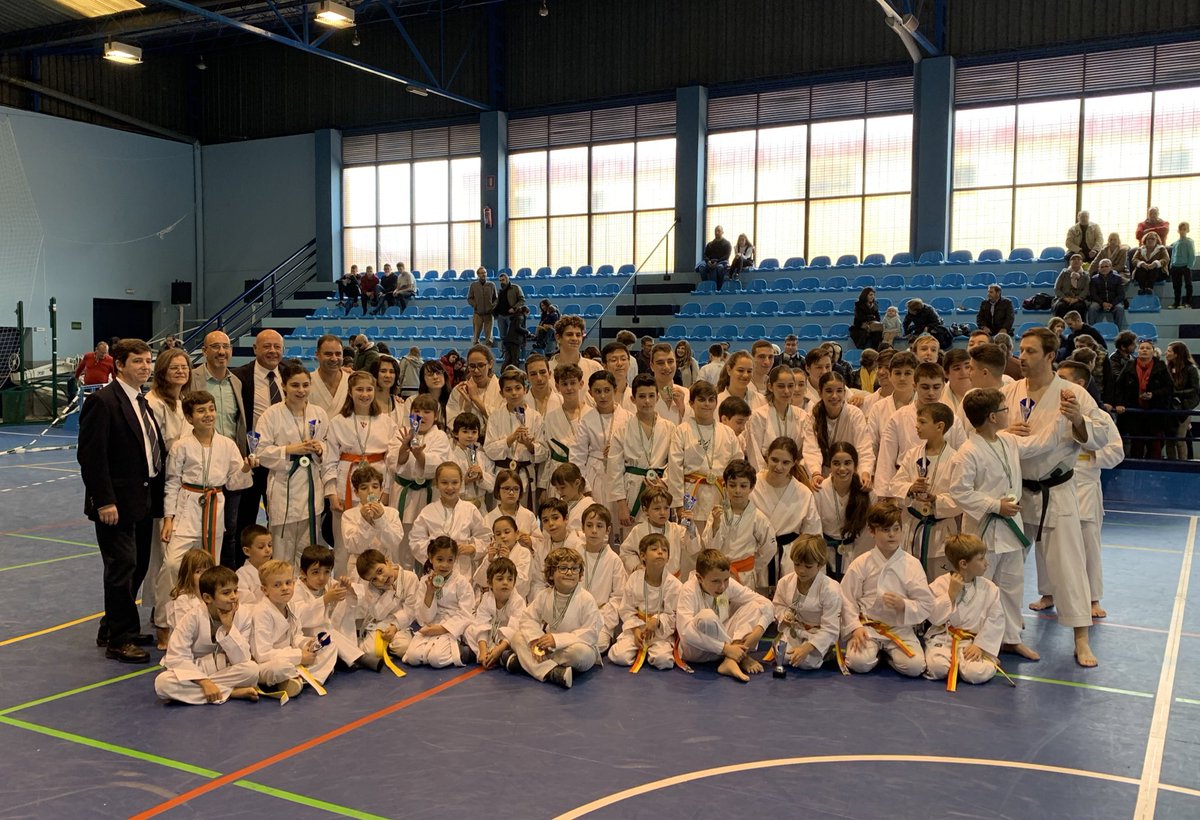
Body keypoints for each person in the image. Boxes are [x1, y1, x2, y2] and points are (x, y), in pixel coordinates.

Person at [1004, 327, 1112, 667]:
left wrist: (1079, 420)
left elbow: (1100, 436)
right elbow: (989, 432)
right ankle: (1006, 632)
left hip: (1057, 489)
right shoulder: (1011, 390)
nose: (1023, 357)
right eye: (1021, 350)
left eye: (1031, 351)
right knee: (1006, 565)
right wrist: (1007, 432)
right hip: (1017, 490)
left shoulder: (1071, 393)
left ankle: (1081, 639)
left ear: (1051, 356)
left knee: (1068, 568)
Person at [946, 387, 1056, 660]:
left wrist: (1065, 419)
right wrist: (996, 505)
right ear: (993, 417)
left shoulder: (1007, 441)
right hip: (983, 530)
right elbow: (959, 491)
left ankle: (1009, 638)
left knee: (1011, 585)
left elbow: (1041, 444)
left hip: (1010, 528)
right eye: (1005, 409)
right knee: (978, 588)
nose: (1009, 413)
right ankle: (976, 641)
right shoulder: (968, 452)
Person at [78, 338, 165, 663]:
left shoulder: (140, 401)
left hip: (142, 499)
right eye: (138, 361)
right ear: (120, 365)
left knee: (138, 565)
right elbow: (91, 456)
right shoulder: (104, 401)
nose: (145, 367)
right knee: (122, 567)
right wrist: (104, 501)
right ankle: (120, 639)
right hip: (115, 503)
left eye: (148, 361)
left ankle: (113, 626)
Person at [1056, 361, 1123, 620]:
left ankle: (1093, 598)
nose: (1058, 383)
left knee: (1089, 546)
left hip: (1085, 487)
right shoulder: (1052, 412)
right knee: (1050, 546)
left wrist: (1089, 454)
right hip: (1056, 486)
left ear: (1080, 385)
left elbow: (1117, 452)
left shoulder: (1100, 416)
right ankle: (1049, 593)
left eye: (1064, 379)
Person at [161, 391, 254, 575]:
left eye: (211, 409)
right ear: (189, 418)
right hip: (186, 508)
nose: (208, 415)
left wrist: (244, 468)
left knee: (210, 565)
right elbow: (171, 483)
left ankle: (205, 603)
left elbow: (234, 484)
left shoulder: (227, 445)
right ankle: (171, 604)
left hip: (215, 507)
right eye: (201, 411)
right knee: (172, 564)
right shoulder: (181, 446)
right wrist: (168, 518)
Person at [839, 501, 934, 677]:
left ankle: (887, 657)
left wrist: (904, 605)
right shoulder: (862, 563)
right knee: (857, 663)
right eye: (885, 530)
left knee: (915, 667)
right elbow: (847, 598)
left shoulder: (912, 564)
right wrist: (855, 627)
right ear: (872, 531)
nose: (892, 535)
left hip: (899, 628)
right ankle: (876, 652)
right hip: (869, 626)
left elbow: (926, 603)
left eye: (896, 529)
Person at [154, 566, 260, 705]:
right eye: (226, 593)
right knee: (162, 683)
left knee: (251, 670)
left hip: (225, 668)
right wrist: (204, 682)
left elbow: (242, 658)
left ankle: (211, 692)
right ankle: (229, 692)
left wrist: (229, 627)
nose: (233, 597)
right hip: (195, 669)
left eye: (235, 590)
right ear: (207, 597)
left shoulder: (244, 614)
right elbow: (177, 656)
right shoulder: (191, 617)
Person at [324, 371, 396, 573]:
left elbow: (391, 461)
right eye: (359, 389)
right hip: (346, 484)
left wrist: (387, 491)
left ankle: (380, 579)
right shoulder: (338, 421)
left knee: (378, 538)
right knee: (343, 542)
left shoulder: (386, 421)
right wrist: (331, 494)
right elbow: (329, 460)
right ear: (350, 391)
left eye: (369, 389)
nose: (365, 394)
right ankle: (343, 587)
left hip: (377, 483)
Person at [508, 546, 603, 689]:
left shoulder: (586, 599)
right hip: (548, 647)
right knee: (516, 637)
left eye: (574, 568)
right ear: (551, 574)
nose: (569, 573)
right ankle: (552, 672)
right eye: (563, 568)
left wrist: (557, 640)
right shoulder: (544, 595)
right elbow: (528, 619)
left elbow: (591, 633)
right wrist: (536, 640)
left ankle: (527, 663)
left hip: (572, 648)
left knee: (581, 654)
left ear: (580, 573)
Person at [887, 401, 961, 579]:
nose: (916, 426)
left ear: (939, 426)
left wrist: (935, 500)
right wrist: (910, 488)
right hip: (912, 527)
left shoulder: (956, 459)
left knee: (939, 585)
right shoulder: (912, 454)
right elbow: (895, 485)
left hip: (940, 532)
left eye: (922, 422)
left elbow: (961, 499)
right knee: (910, 582)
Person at [677, 548, 774, 682]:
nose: (722, 587)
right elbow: (685, 633)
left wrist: (760, 629)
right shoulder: (688, 590)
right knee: (707, 616)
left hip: (725, 649)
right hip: (697, 652)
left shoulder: (727, 584)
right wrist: (725, 648)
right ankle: (740, 656)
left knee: (755, 606)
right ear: (699, 577)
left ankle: (731, 660)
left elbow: (766, 603)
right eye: (715, 581)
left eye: (726, 580)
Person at [923, 534, 1005, 689]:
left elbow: (996, 619)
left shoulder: (990, 588)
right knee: (938, 668)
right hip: (943, 638)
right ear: (963, 564)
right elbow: (933, 617)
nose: (986, 563)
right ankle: (957, 662)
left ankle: (985, 661)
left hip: (972, 641)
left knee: (975, 673)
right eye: (981, 559)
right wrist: (950, 595)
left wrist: (981, 646)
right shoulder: (941, 584)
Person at [250, 559, 337, 697]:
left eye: (288, 583)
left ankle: (299, 679)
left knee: (329, 643)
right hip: (270, 662)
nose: (284, 588)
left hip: (292, 655)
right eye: (277, 585)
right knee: (280, 668)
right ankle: (300, 676)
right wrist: (298, 656)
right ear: (264, 590)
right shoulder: (261, 612)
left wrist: (306, 643)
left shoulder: (291, 605)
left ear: (294, 583)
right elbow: (262, 654)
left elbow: (296, 635)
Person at [232, 328, 285, 555]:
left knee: (280, 517)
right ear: (255, 349)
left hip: (282, 460)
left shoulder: (290, 373)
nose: (272, 351)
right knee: (245, 517)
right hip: (252, 459)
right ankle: (240, 569)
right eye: (267, 346)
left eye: (277, 347)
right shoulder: (239, 376)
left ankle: (276, 565)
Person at [667, 380, 741, 540]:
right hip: (692, 496)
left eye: (710, 399)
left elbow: (738, 466)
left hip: (721, 496)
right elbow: (675, 469)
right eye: (701, 399)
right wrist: (679, 505)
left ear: (716, 403)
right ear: (692, 403)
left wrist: (737, 497)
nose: (706, 404)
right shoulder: (682, 431)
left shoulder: (727, 433)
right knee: (690, 547)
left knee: (720, 543)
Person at [390, 394, 451, 565]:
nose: (421, 416)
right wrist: (403, 448)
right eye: (416, 411)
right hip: (404, 493)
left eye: (427, 411)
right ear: (410, 414)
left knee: (428, 537)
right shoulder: (401, 432)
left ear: (436, 416)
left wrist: (420, 456)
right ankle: (403, 581)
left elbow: (439, 464)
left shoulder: (440, 437)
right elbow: (392, 462)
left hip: (428, 494)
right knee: (402, 539)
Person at [606, 533, 682, 671]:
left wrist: (657, 620)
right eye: (654, 549)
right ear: (642, 556)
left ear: (668, 557)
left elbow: (674, 615)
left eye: (664, 550)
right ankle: (640, 648)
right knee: (618, 656)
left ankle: (652, 651)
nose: (660, 552)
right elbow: (626, 609)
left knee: (663, 661)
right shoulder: (635, 578)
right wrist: (635, 630)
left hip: (660, 632)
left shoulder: (674, 585)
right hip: (637, 627)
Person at [752, 437, 821, 581]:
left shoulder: (803, 493)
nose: (779, 466)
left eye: (785, 462)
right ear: (767, 457)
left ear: (794, 463)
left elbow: (812, 535)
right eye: (774, 460)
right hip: (756, 554)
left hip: (790, 559)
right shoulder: (752, 485)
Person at [611, 374, 674, 528]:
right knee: (631, 542)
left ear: (657, 397)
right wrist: (621, 505)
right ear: (633, 399)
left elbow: (675, 463)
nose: (647, 401)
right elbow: (614, 468)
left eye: (651, 396)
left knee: (660, 541)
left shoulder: (670, 428)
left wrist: (664, 483)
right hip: (631, 493)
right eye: (642, 396)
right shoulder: (622, 429)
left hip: (660, 490)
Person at [772, 535, 842, 670]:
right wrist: (784, 617)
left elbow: (831, 628)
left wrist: (808, 647)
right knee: (785, 657)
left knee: (806, 662)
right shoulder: (785, 582)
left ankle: (826, 652)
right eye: (797, 564)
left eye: (808, 566)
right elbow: (778, 606)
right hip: (795, 630)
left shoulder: (831, 589)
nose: (801, 570)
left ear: (820, 565)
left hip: (818, 633)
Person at [704, 459, 776, 589]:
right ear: (725, 486)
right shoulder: (716, 513)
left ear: (752, 487)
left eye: (743, 486)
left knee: (744, 608)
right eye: (732, 485)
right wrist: (716, 524)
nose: (737, 490)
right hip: (718, 574)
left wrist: (754, 565)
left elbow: (769, 548)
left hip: (745, 575)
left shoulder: (758, 517)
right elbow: (709, 547)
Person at [404, 536, 474, 668]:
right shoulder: (425, 581)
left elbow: (466, 614)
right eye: (440, 559)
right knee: (412, 657)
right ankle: (433, 651)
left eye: (450, 560)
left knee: (436, 660)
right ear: (431, 558)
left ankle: (464, 651)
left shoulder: (461, 582)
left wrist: (442, 629)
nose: (445, 565)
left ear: (455, 560)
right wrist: (429, 592)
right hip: (431, 624)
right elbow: (423, 617)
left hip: (451, 626)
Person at [803, 371, 875, 488]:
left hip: (849, 473)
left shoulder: (855, 414)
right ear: (820, 393)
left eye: (839, 391)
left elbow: (864, 447)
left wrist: (865, 472)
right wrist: (815, 473)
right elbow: (811, 449)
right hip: (822, 475)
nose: (834, 396)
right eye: (829, 391)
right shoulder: (813, 416)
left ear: (845, 393)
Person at [815, 443, 875, 578]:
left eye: (847, 463)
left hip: (856, 555)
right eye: (836, 463)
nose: (842, 468)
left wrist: (858, 562)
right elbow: (814, 529)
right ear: (829, 465)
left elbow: (868, 535)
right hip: (825, 556)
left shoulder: (868, 493)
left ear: (855, 465)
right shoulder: (820, 491)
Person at [351, 549, 419, 664]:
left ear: (387, 561)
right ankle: (381, 645)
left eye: (380, 571)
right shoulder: (371, 587)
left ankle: (389, 646)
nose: (381, 579)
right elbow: (377, 614)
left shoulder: (410, 578)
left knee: (403, 648)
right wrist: (389, 592)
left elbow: (410, 610)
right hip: (379, 622)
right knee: (371, 653)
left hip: (401, 624)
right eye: (374, 579)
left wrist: (395, 627)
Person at [340, 465, 405, 575]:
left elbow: (394, 543)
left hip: (386, 564)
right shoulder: (348, 515)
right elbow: (353, 546)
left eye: (375, 487)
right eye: (364, 488)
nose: (370, 492)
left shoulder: (392, 513)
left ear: (381, 490)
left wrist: (380, 519)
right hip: (359, 569)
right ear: (356, 492)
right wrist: (365, 522)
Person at [1114, 339, 1173, 459]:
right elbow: (1119, 386)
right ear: (1138, 351)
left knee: (1155, 447)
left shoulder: (1161, 366)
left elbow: (1169, 388)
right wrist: (1119, 403)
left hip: (1155, 412)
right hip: (1135, 412)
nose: (1144, 350)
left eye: (1147, 348)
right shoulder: (1129, 365)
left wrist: (1154, 394)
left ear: (1153, 351)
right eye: (1142, 348)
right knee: (1136, 445)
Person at [466, 556, 526, 668]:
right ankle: (486, 655)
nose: (505, 582)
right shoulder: (486, 598)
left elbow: (514, 628)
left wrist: (499, 648)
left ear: (514, 582)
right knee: (469, 629)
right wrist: (483, 650)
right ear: (489, 583)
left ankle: (502, 655)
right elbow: (482, 624)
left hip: (505, 641)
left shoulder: (518, 601)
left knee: (519, 637)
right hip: (490, 635)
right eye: (500, 579)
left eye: (510, 579)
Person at [746, 365, 806, 471]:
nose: (787, 391)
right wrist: (764, 478)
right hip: (766, 473)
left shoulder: (802, 416)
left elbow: (807, 450)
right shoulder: (758, 416)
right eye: (781, 386)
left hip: (793, 473)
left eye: (790, 386)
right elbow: (754, 454)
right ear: (770, 387)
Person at [474, 514, 532, 598]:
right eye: (498, 534)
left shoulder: (524, 552)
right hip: (493, 601)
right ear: (494, 537)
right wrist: (489, 561)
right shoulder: (493, 554)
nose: (503, 536)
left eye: (507, 532)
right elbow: (481, 581)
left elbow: (522, 584)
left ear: (517, 534)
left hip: (515, 601)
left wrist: (507, 561)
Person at [1166, 342, 1200, 460]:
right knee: (1169, 440)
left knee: (1180, 439)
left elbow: (1195, 390)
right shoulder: (1168, 368)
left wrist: (1176, 394)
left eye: (1169, 351)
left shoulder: (1191, 369)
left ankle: (1182, 463)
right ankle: (1171, 464)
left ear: (1177, 354)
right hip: (1169, 407)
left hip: (1184, 408)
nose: (1166, 353)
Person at [309, 334, 349, 416]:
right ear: (317, 355)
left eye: (338, 354)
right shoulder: (306, 382)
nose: (334, 359)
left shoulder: (352, 381)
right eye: (328, 354)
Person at [235, 525, 272, 606]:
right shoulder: (241, 575)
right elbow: (245, 604)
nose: (267, 550)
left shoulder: (276, 569)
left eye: (269, 545)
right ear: (247, 551)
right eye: (261, 547)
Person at [1087, 258, 1128, 328]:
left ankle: (1118, 330)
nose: (1104, 268)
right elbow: (1093, 295)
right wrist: (1103, 303)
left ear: (1111, 267)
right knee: (1092, 308)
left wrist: (1112, 304)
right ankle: (1092, 330)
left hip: (1113, 302)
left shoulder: (1118, 278)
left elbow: (1121, 295)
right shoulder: (1094, 279)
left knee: (1120, 308)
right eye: (1102, 267)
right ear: (1098, 268)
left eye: (1106, 266)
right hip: (1099, 302)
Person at [1131, 230, 1170, 295]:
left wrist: (1155, 264)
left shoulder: (1161, 249)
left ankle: (1149, 288)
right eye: (1148, 239)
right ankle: (1142, 289)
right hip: (1143, 272)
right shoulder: (1140, 249)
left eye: (1152, 239)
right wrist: (1141, 264)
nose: (1150, 240)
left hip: (1158, 273)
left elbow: (1166, 259)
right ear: (1145, 240)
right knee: (1140, 270)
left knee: (1154, 269)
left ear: (1156, 240)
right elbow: (1134, 259)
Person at [495, 272, 526, 350]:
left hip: (512, 316)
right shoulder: (500, 291)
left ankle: (513, 352)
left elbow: (522, 300)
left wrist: (514, 308)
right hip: (501, 316)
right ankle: (504, 352)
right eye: (500, 280)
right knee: (502, 336)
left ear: (507, 279)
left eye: (503, 280)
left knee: (512, 335)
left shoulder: (515, 288)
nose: (502, 282)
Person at [467, 266, 497, 345]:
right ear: (478, 275)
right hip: (478, 314)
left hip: (489, 314)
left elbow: (496, 299)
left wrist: (492, 306)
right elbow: (469, 298)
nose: (484, 274)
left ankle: (488, 354)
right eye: (481, 273)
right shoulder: (473, 285)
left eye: (485, 272)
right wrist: (475, 305)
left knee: (489, 338)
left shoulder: (491, 285)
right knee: (476, 337)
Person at [696, 225, 732, 290]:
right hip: (710, 262)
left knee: (718, 268)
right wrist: (708, 261)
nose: (716, 232)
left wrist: (717, 262)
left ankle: (718, 288)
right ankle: (707, 286)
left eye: (718, 231)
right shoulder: (710, 244)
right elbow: (705, 255)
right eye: (715, 231)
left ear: (722, 232)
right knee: (701, 267)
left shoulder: (727, 243)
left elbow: (726, 256)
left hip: (721, 262)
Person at [1169, 222, 1195, 309]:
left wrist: (1189, 266)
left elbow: (1191, 255)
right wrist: (1171, 264)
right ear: (1178, 231)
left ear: (1188, 230)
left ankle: (1188, 302)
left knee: (1188, 285)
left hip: (1185, 266)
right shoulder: (1175, 243)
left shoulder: (1189, 242)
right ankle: (1176, 303)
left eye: (1184, 229)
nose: (1182, 231)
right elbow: (1173, 254)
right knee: (1176, 286)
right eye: (1181, 229)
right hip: (1176, 266)